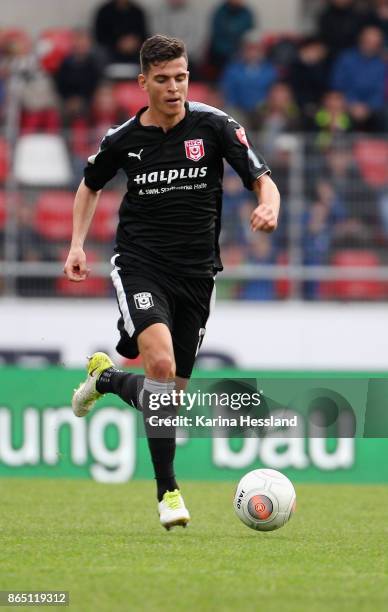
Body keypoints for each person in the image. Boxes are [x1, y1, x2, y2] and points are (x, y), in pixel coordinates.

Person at [64, 35, 280, 530]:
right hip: (140, 264)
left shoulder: (215, 126)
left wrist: (269, 204)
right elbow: (89, 185)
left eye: (180, 77)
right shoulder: (123, 140)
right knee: (159, 363)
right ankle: (169, 493)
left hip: (198, 274)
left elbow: (261, 177)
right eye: (162, 79)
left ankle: (107, 378)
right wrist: (77, 244)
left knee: (168, 394)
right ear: (143, 82)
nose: (174, 87)